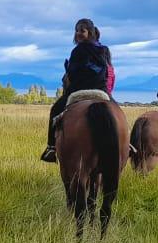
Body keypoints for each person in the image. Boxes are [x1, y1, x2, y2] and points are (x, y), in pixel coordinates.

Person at [40, 18, 111, 162]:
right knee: (117, 112)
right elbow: (107, 71)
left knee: (55, 110)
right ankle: (126, 143)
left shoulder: (78, 50)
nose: (78, 33)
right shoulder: (104, 50)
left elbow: (72, 73)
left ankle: (51, 147)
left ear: (90, 32)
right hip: (101, 90)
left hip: (79, 89)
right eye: (77, 30)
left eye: (82, 31)